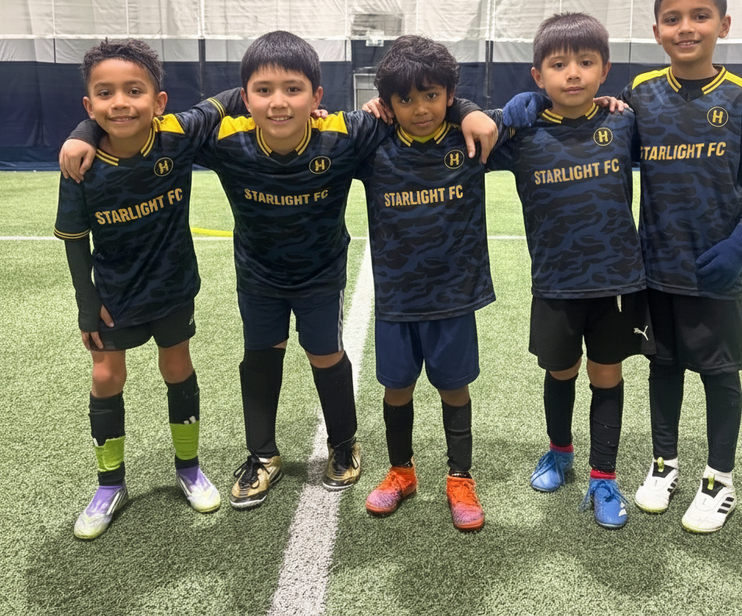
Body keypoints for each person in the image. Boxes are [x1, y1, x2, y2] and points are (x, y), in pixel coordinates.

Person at [61, 31, 498, 512]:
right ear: (244, 100)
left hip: (320, 276)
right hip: (259, 277)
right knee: (261, 357)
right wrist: (84, 130)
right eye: (263, 91)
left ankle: (343, 444)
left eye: (293, 89)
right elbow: (140, 125)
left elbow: (424, 99)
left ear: (317, 98)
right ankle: (262, 455)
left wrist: (467, 109)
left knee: (325, 355)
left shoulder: (347, 133)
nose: (278, 103)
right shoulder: (223, 137)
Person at [620, 0, 742, 533]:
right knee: (662, 366)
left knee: (719, 372)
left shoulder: (741, 98)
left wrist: (740, 243)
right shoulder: (640, 94)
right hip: (655, 267)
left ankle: (720, 478)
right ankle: (664, 464)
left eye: (699, 16)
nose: (686, 28)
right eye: (672, 19)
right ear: (658, 30)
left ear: (723, 25)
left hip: (715, 271)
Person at [55, 39, 227, 539]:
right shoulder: (80, 166)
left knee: (177, 367)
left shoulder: (175, 138)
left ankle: (189, 468)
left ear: (159, 101)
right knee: (107, 378)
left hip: (173, 286)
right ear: (89, 106)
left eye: (134, 90)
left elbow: (233, 98)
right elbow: (75, 242)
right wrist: (88, 310)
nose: (120, 102)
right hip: (113, 297)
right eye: (104, 94)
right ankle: (110, 484)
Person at [496, 13, 653, 529]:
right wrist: (503, 111)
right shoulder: (519, 133)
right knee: (559, 371)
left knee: (606, 375)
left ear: (604, 70)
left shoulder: (623, 121)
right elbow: (462, 129)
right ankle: (559, 452)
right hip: (557, 284)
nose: (573, 74)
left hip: (617, 284)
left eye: (585, 63)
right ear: (537, 75)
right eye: (558, 64)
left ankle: (604, 477)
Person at [356, 35, 509, 532]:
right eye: (405, 99)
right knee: (396, 388)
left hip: (453, 296)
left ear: (449, 93)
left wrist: (468, 110)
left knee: (453, 388)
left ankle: (459, 476)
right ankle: (401, 472)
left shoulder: (469, 139)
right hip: (398, 299)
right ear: (388, 102)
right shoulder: (373, 142)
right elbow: (324, 132)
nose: (420, 108)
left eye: (432, 95)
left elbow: (532, 113)